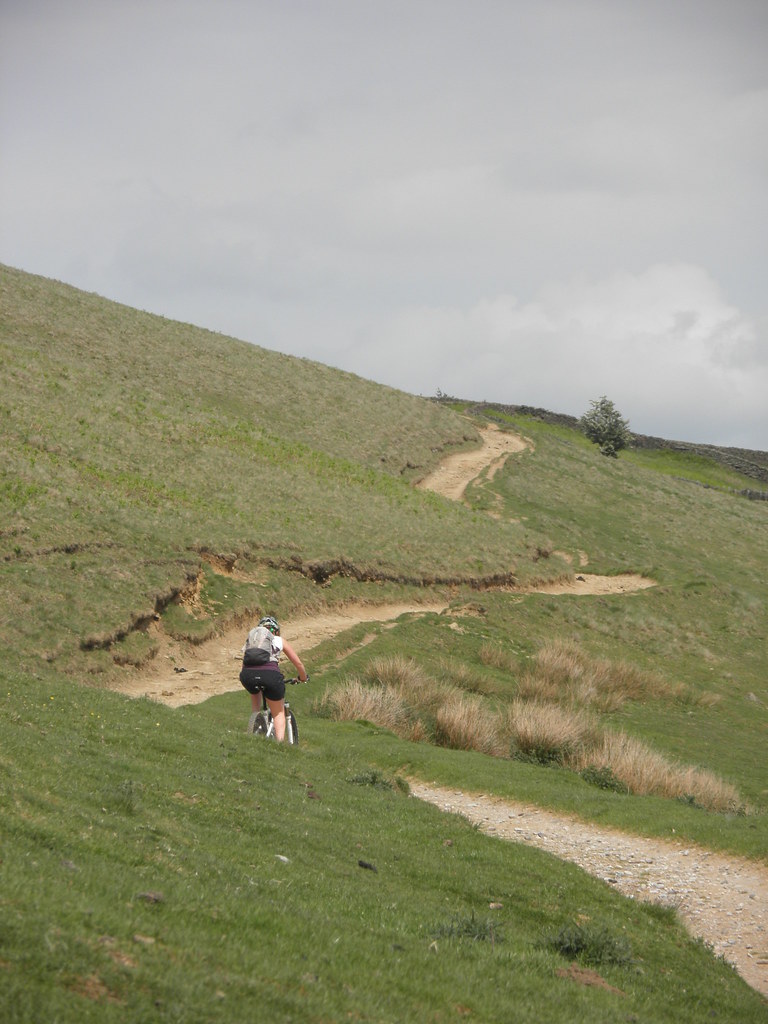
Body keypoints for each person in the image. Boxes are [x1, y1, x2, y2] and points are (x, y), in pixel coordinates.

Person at [239, 615, 308, 741]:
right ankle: (279, 744)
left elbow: (245, 663)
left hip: (247, 675)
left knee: (255, 696)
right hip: (270, 675)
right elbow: (298, 663)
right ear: (276, 630)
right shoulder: (279, 640)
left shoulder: (253, 641)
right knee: (278, 713)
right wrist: (303, 677)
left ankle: (255, 721)